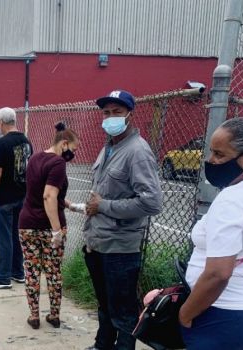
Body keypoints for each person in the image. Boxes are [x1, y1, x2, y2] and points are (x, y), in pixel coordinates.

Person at [83, 90, 163, 350]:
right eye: (106, 112)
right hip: (99, 242)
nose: (110, 117)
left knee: (124, 311)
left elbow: (152, 202)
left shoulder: (137, 151)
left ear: (130, 114)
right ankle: (102, 344)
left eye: (117, 112)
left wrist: (104, 205)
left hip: (120, 247)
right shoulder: (110, 147)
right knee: (105, 304)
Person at [179, 117, 243, 350]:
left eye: (219, 155)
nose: (210, 161)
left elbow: (218, 273)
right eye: (211, 152)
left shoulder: (232, 199)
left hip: (219, 314)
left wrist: (186, 314)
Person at [18, 122, 79, 329]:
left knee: (32, 270)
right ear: (64, 144)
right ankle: (54, 315)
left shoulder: (34, 158)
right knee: (53, 272)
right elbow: (48, 195)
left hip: (27, 224)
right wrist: (56, 230)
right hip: (49, 226)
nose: (73, 154)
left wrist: (68, 204)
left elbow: (39, 191)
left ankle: (34, 316)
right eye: (73, 149)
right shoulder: (58, 163)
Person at [0, 107, 33, 290]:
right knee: (15, 236)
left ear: (1, 122)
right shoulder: (26, 141)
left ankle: (2, 277)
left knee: (3, 238)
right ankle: (17, 272)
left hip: (4, 198)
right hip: (21, 195)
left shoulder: (1, 144)